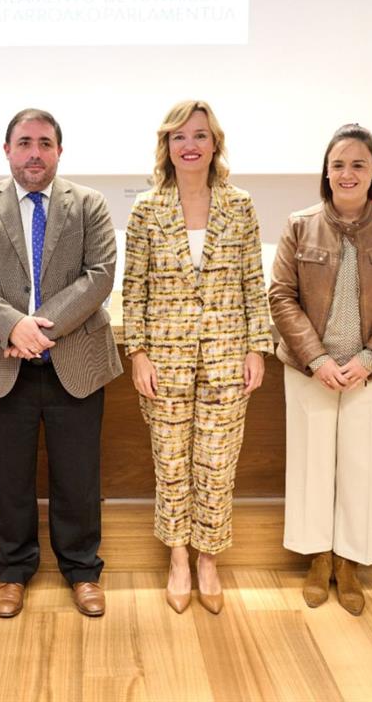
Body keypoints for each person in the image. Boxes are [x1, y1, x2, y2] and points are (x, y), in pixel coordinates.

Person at [0, 108, 122, 619]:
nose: (34, 152)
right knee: (7, 477)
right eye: (24, 142)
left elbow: (100, 274)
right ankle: (13, 570)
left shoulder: (88, 204)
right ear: (7, 150)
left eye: (45, 143)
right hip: (1, 363)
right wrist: (13, 326)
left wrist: (38, 327)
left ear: (59, 151)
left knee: (79, 474)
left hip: (76, 360)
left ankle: (82, 570)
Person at [123, 101, 274, 614]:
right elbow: (134, 288)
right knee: (170, 464)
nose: (190, 145)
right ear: (167, 145)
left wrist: (258, 346)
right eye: (180, 136)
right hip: (163, 362)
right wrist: (138, 353)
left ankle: (209, 556)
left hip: (229, 359)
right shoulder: (147, 208)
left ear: (215, 144)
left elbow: (254, 281)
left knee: (215, 465)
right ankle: (179, 556)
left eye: (201, 135)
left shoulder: (241, 204)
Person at [267, 124, 372, 615]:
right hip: (312, 368)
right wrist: (316, 359)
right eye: (338, 165)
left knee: (363, 464)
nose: (347, 173)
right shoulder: (299, 224)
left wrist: (368, 359)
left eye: (358, 164)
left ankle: (351, 563)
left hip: (371, 371)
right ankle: (318, 557)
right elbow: (281, 297)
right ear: (325, 172)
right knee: (312, 463)